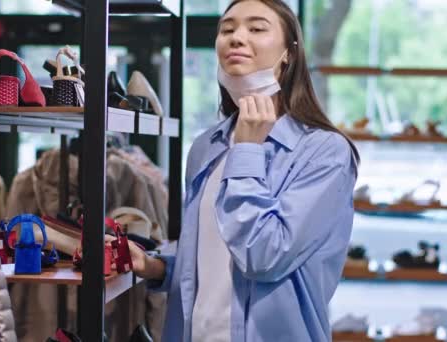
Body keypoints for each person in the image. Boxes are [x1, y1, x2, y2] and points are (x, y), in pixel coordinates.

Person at [128, 0, 360, 341]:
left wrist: (248, 151)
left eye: (256, 28)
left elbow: (263, 257)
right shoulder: (207, 146)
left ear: (289, 54)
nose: (236, 37)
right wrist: (157, 266)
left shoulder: (325, 152)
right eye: (227, 29)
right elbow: (214, 257)